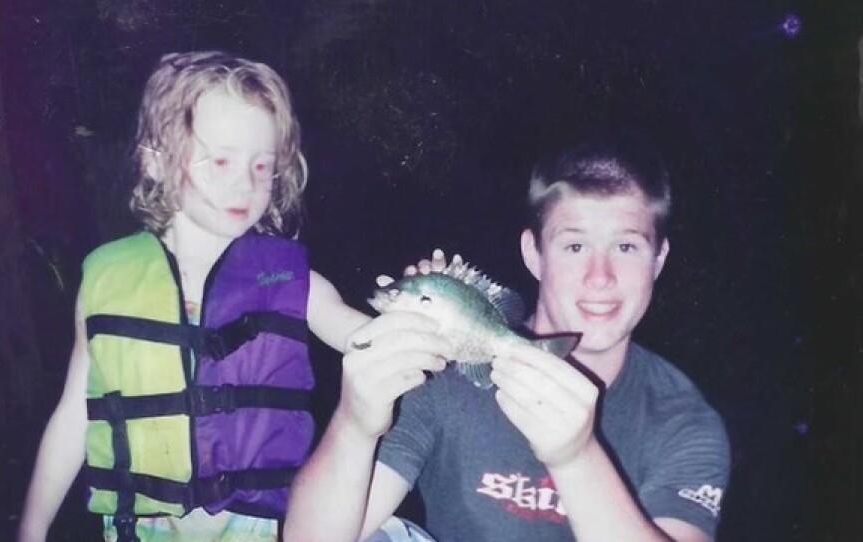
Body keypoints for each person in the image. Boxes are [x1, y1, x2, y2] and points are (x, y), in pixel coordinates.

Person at [284, 140, 731, 542]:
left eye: (627, 247)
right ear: (533, 254)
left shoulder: (683, 420)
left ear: (659, 259)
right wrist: (355, 423)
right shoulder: (445, 371)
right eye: (574, 247)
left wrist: (577, 457)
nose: (601, 277)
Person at [18, 51, 375, 542]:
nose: (244, 183)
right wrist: (30, 530)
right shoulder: (107, 277)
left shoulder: (294, 282)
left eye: (261, 165)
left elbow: (371, 340)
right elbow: (74, 415)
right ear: (156, 161)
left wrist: (432, 310)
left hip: (255, 529)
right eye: (221, 160)